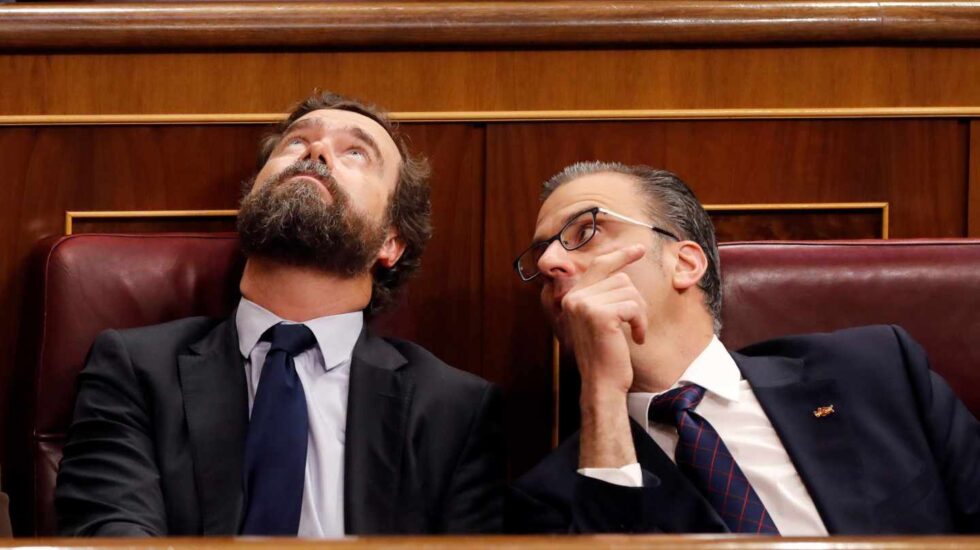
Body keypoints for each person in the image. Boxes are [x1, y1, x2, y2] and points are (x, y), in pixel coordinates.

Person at [56, 91, 505, 537]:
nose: (317, 150)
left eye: (356, 153)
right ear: (252, 197)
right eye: (295, 142)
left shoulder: (454, 410)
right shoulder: (135, 370)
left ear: (391, 241)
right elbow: (112, 534)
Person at [506, 161, 980, 535]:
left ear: (684, 263)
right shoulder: (554, 494)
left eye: (585, 231)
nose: (549, 263)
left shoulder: (877, 372)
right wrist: (603, 395)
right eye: (540, 255)